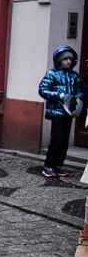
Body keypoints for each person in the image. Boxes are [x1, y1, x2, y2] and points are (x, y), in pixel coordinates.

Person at [39, 45, 83, 177]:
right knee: (57, 138)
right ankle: (49, 165)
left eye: (70, 59)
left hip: (68, 112)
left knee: (64, 139)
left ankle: (59, 164)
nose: (68, 61)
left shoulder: (74, 76)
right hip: (56, 111)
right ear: (59, 60)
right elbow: (43, 90)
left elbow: (79, 90)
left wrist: (78, 99)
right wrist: (59, 95)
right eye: (65, 59)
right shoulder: (52, 74)